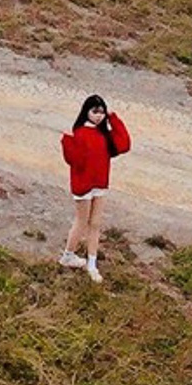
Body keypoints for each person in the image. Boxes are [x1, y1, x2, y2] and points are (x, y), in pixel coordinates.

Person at [59, 94, 130, 284]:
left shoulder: (103, 134)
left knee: (96, 223)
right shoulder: (80, 133)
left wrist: (113, 119)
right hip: (83, 185)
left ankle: (92, 263)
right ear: (86, 112)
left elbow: (124, 144)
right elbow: (74, 161)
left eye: (101, 112)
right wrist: (67, 141)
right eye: (94, 111)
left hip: (100, 184)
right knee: (82, 221)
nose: (99, 116)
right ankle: (68, 255)